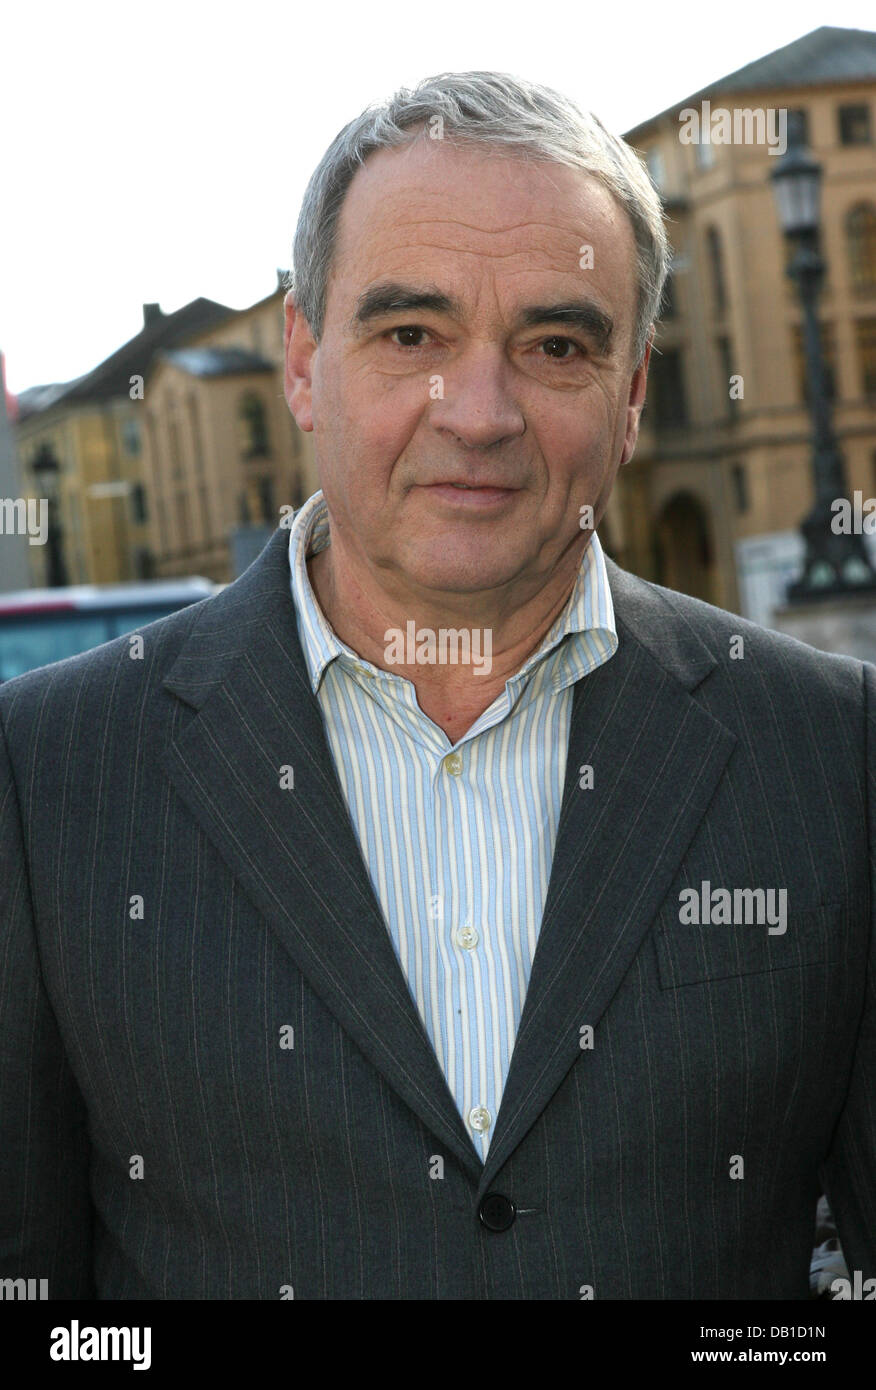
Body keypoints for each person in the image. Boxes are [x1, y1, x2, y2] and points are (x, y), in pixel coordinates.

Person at [1, 72, 873, 1300]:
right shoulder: (46, 774)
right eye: (411, 335)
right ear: (305, 364)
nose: (478, 412)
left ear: (629, 400)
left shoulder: (834, 753)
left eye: (555, 345)